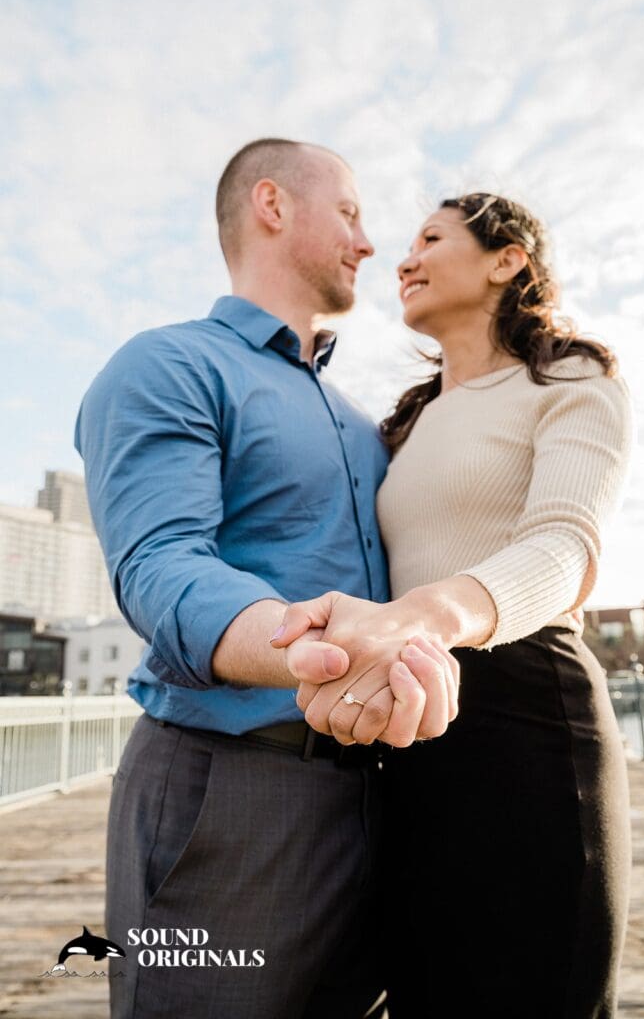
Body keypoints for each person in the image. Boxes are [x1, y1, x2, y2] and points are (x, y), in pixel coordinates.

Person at [74, 138, 460, 1019]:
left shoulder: (362, 424)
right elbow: (161, 565)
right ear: (273, 205)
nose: (371, 243)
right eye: (352, 213)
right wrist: (315, 652)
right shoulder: (168, 365)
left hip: (380, 800)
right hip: (231, 792)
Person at [272, 193, 633, 1018]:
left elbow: (564, 547)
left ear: (507, 260)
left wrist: (423, 618)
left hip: (529, 722)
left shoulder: (570, 379)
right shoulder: (409, 422)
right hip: (409, 731)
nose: (402, 260)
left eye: (430, 239)